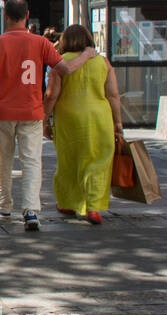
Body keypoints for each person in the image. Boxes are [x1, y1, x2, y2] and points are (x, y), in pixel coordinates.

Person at [0, 0, 95, 232]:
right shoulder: (41, 43)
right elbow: (65, 69)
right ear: (27, 15)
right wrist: (86, 55)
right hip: (31, 110)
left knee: (3, 161)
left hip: (2, 111)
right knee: (31, 161)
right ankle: (30, 210)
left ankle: (4, 204)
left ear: (6, 16)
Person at [45, 24, 122, 224]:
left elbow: (52, 95)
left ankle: (68, 203)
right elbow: (113, 95)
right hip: (99, 117)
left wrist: (45, 119)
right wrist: (118, 122)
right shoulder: (103, 62)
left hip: (68, 118)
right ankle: (94, 207)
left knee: (69, 160)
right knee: (98, 161)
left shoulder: (60, 64)